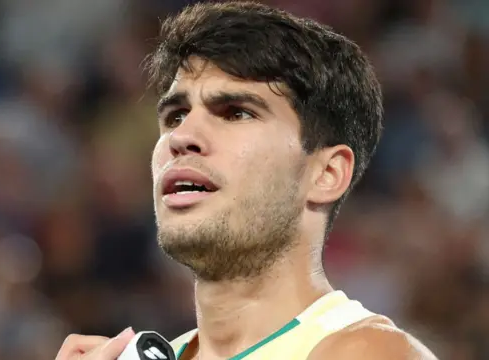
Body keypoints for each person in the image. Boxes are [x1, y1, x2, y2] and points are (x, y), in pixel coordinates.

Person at [56, 1, 438, 359]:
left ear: (327, 173)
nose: (181, 136)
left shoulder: (368, 351)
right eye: (175, 116)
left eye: (236, 113)